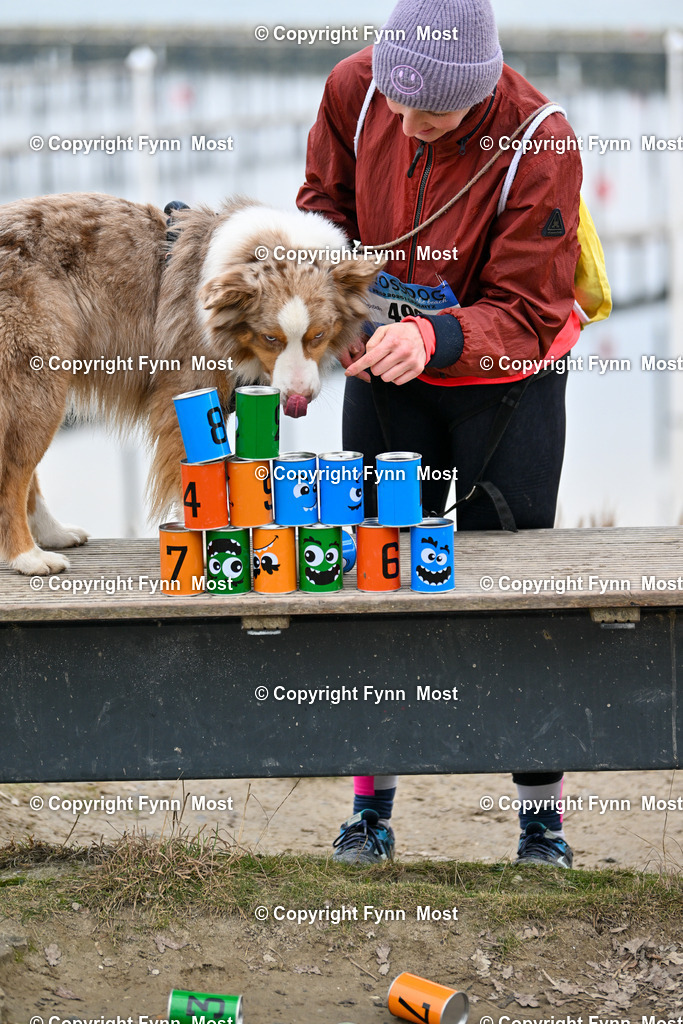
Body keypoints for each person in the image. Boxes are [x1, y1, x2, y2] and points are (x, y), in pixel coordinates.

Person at [297, 0, 585, 869]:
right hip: (383, 372)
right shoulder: (354, 88)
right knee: (375, 582)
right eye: (398, 102)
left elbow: (530, 310)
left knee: (518, 605)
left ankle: (540, 825)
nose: (408, 123)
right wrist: (320, 322)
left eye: (433, 114)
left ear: (482, 88)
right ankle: (369, 815)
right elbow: (320, 213)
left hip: (505, 385)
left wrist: (435, 336)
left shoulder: (541, 139)